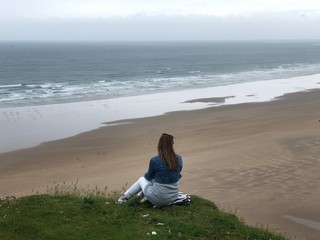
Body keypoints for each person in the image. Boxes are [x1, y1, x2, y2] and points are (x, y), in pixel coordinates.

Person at [117, 133, 183, 207]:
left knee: (142, 179)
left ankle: (122, 199)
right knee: (152, 182)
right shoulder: (179, 158)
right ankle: (135, 200)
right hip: (173, 196)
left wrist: (154, 176)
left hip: (159, 199)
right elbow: (177, 174)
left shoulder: (155, 160)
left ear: (159, 145)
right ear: (172, 145)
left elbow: (148, 176)